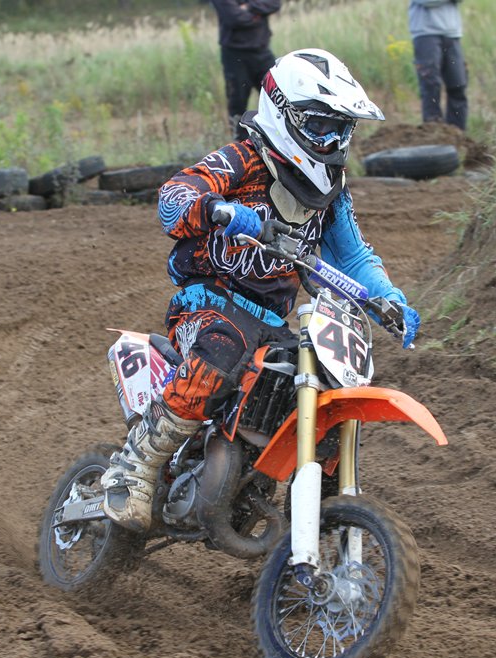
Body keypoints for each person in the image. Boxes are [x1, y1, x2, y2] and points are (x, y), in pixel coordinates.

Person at [101, 48, 422, 531]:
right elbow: (174, 195)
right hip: (208, 302)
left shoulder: (331, 191)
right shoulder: (244, 160)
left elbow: (354, 257)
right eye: (320, 126)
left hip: (271, 321)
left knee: (325, 382)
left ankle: (313, 521)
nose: (332, 141)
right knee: (223, 347)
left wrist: (390, 299)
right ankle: (136, 464)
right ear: (283, 112)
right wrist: (217, 209)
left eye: (342, 129)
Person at [209, 0, 282, 141]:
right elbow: (235, 18)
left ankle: (280, 141)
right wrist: (259, 13)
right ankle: (240, 146)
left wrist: (248, 7)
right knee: (237, 104)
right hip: (235, 55)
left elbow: (274, 3)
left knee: (278, 97)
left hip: (261, 52)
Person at [409, 0, 469, 131]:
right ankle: (433, 134)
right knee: (431, 85)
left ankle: (457, 135)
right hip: (425, 34)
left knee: (458, 86)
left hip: (452, 34)